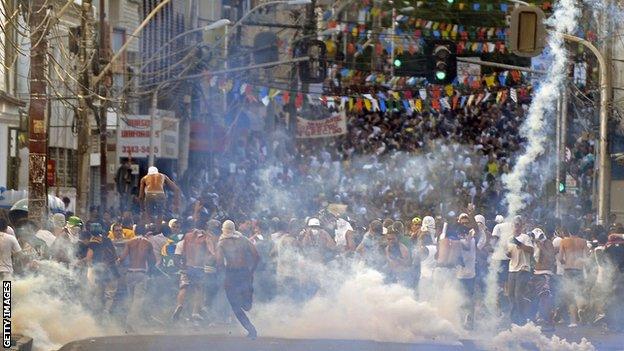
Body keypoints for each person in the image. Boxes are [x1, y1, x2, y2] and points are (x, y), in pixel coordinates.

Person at [216, 220, 260, 339]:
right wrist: (251, 271)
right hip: (245, 272)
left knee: (235, 305)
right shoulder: (243, 239)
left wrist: (224, 277)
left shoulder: (222, 242)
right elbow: (256, 256)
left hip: (232, 274)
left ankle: (251, 330)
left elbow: (219, 262)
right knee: (245, 303)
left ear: (223, 230)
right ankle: (247, 303)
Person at [172, 228, 217, 321]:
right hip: (199, 268)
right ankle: (195, 312)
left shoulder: (181, 243)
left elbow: (176, 259)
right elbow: (212, 253)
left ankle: (179, 305)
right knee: (199, 289)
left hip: (187, 268)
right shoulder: (204, 240)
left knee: (183, 287)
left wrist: (182, 268)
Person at [116, 226, 156, 330]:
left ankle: (126, 322)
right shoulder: (148, 243)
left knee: (130, 299)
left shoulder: (129, 242)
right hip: (141, 273)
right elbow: (153, 261)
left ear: (134, 232)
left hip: (130, 273)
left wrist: (117, 264)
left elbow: (122, 257)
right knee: (137, 301)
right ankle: (130, 322)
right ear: (145, 233)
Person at [559, 219, 589, 327]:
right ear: (579, 230)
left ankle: (573, 322)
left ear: (569, 230)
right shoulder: (583, 241)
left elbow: (560, 258)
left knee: (570, 295)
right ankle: (581, 309)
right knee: (579, 293)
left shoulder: (564, 241)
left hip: (568, 270)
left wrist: (565, 261)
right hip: (579, 270)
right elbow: (587, 258)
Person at [85, 223, 120, 315]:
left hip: (99, 272)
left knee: (98, 294)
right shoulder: (108, 240)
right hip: (112, 271)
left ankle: (96, 315)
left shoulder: (92, 243)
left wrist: (91, 268)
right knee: (110, 295)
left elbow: (89, 259)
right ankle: (106, 312)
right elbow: (115, 256)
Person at [506, 220, 534, 325]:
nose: (516, 228)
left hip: (523, 268)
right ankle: (514, 320)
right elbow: (509, 254)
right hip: (512, 269)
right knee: (511, 294)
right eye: (514, 226)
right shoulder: (509, 239)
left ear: (521, 227)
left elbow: (531, 250)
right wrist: (507, 253)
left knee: (518, 294)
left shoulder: (525, 237)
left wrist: (519, 244)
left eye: (518, 225)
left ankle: (522, 319)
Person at [532, 228, 556, 331]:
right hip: (535, 273)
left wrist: (541, 247)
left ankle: (549, 323)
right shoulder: (532, 243)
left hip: (545, 274)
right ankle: (538, 320)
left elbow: (551, 258)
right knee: (536, 299)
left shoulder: (548, 243)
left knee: (545, 298)